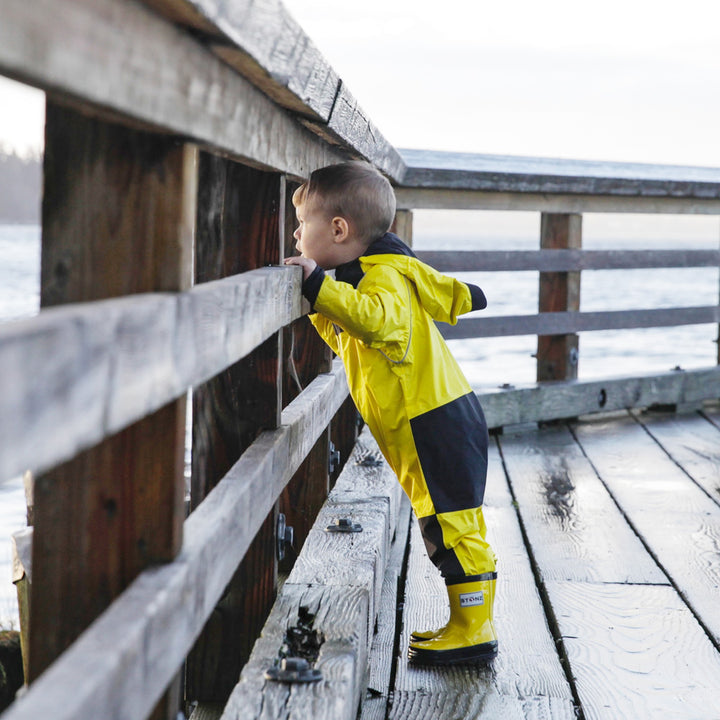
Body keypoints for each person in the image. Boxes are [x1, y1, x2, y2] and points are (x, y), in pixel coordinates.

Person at [284, 161, 497, 665]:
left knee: (449, 525)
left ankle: (474, 630)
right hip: (430, 419)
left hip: (433, 422)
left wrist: (317, 285)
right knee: (447, 519)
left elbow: (375, 322)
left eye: (302, 224)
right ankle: (469, 622)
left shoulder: (384, 279)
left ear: (338, 230)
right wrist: (322, 305)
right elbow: (351, 335)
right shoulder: (369, 275)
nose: (295, 233)